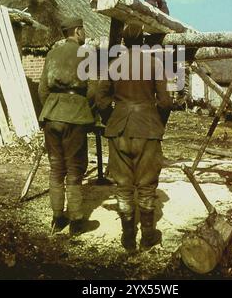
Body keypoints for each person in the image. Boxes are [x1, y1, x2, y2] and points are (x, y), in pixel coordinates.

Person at [96, 24, 173, 250]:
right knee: (147, 184)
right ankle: (148, 235)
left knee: (123, 185)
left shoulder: (113, 65)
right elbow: (166, 102)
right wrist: (158, 122)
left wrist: (112, 118)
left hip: (119, 129)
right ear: (143, 41)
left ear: (123, 42)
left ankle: (128, 236)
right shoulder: (155, 64)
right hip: (147, 127)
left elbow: (100, 99)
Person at [38, 17, 99, 236]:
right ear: (78, 31)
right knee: (74, 170)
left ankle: (57, 218)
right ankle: (76, 221)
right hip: (75, 116)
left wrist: (53, 108)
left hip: (52, 115)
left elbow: (42, 90)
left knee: (56, 169)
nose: (84, 34)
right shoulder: (86, 54)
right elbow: (93, 90)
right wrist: (85, 109)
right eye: (83, 30)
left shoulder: (52, 54)